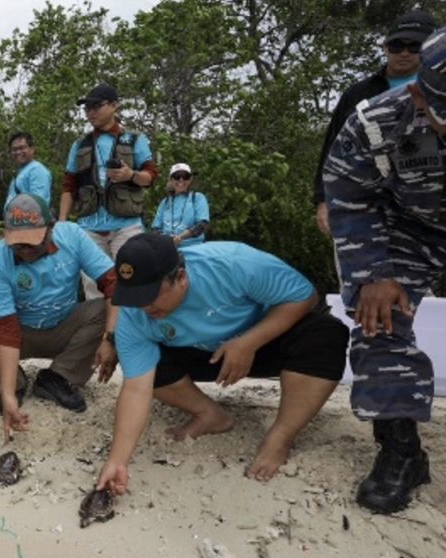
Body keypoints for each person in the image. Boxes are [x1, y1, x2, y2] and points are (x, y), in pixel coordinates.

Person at [96, 234, 348, 496]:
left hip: (264, 341)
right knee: (142, 361)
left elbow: (305, 296)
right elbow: (136, 389)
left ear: (180, 277)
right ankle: (210, 414)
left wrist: (248, 342)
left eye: (150, 295)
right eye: (135, 296)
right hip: (204, 354)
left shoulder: (231, 263)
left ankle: (281, 437)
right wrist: (117, 462)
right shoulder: (134, 313)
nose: (144, 307)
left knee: (326, 334)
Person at [322, 26, 446, 514]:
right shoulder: (375, 123)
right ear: (418, 93)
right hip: (408, 223)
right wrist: (373, 271)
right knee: (377, 319)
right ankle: (402, 452)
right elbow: (348, 196)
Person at [0, 195, 119, 439]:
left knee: (105, 311)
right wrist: (7, 394)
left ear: (51, 228)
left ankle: (59, 377)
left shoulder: (73, 236)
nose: (25, 252)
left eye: (32, 243)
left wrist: (110, 339)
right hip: (22, 330)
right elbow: (7, 329)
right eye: (17, 245)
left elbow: (112, 283)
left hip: (66, 324)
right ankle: (15, 383)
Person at [313, 9, 437, 236]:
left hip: (428, 205)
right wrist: (323, 200)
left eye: (415, 47)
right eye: (397, 46)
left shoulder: (438, 91)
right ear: (385, 47)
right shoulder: (359, 94)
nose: (405, 53)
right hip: (367, 203)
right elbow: (333, 149)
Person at [60, 84, 158, 300]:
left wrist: (130, 175)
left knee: (132, 282)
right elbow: (69, 185)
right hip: (88, 229)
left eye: (96, 106)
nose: (90, 113)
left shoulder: (135, 139)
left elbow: (151, 176)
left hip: (127, 226)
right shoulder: (79, 145)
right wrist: (62, 223)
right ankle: (101, 333)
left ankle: (131, 333)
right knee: (94, 290)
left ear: (114, 105)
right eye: (87, 109)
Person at [151, 163, 210, 247]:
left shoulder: (198, 198)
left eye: (185, 176)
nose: (181, 180)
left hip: (193, 248)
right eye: (177, 176)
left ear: (190, 179)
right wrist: (168, 240)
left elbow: (202, 225)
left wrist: (180, 237)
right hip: (167, 249)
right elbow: (155, 229)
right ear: (171, 179)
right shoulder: (165, 202)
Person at [4, 132, 53, 214]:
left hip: (31, 224)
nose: (18, 152)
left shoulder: (37, 170)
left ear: (32, 149)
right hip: (17, 224)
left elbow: (38, 203)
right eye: (14, 149)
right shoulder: (20, 172)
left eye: (22, 148)